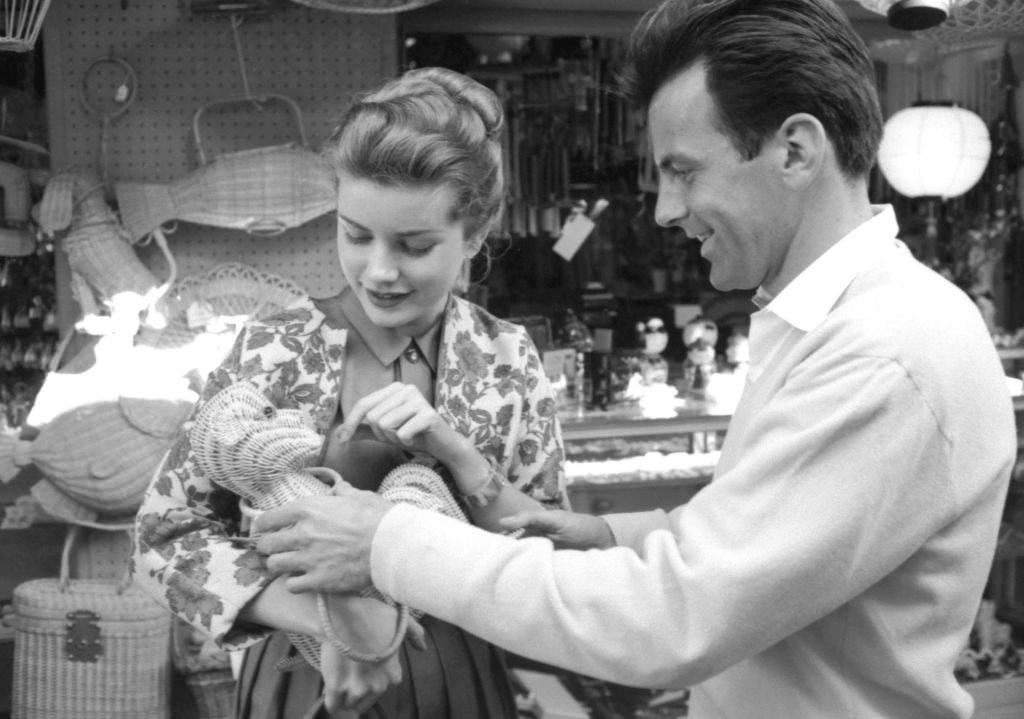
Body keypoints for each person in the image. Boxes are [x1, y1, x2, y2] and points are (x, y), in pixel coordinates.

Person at [253, 1, 1018, 717]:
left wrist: (383, 542)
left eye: (683, 170)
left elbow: (671, 621)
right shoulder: (831, 323)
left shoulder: (883, 353)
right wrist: (612, 538)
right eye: (357, 234)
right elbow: (758, 542)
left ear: (794, 150)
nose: (664, 209)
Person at [132, 66, 569, 719]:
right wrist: (333, 619)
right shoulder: (271, 349)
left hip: (453, 678)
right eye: (355, 234)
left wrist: (457, 456)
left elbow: (549, 555)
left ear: (474, 235)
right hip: (300, 676)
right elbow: (161, 538)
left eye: (414, 245)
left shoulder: (506, 359)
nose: (379, 270)